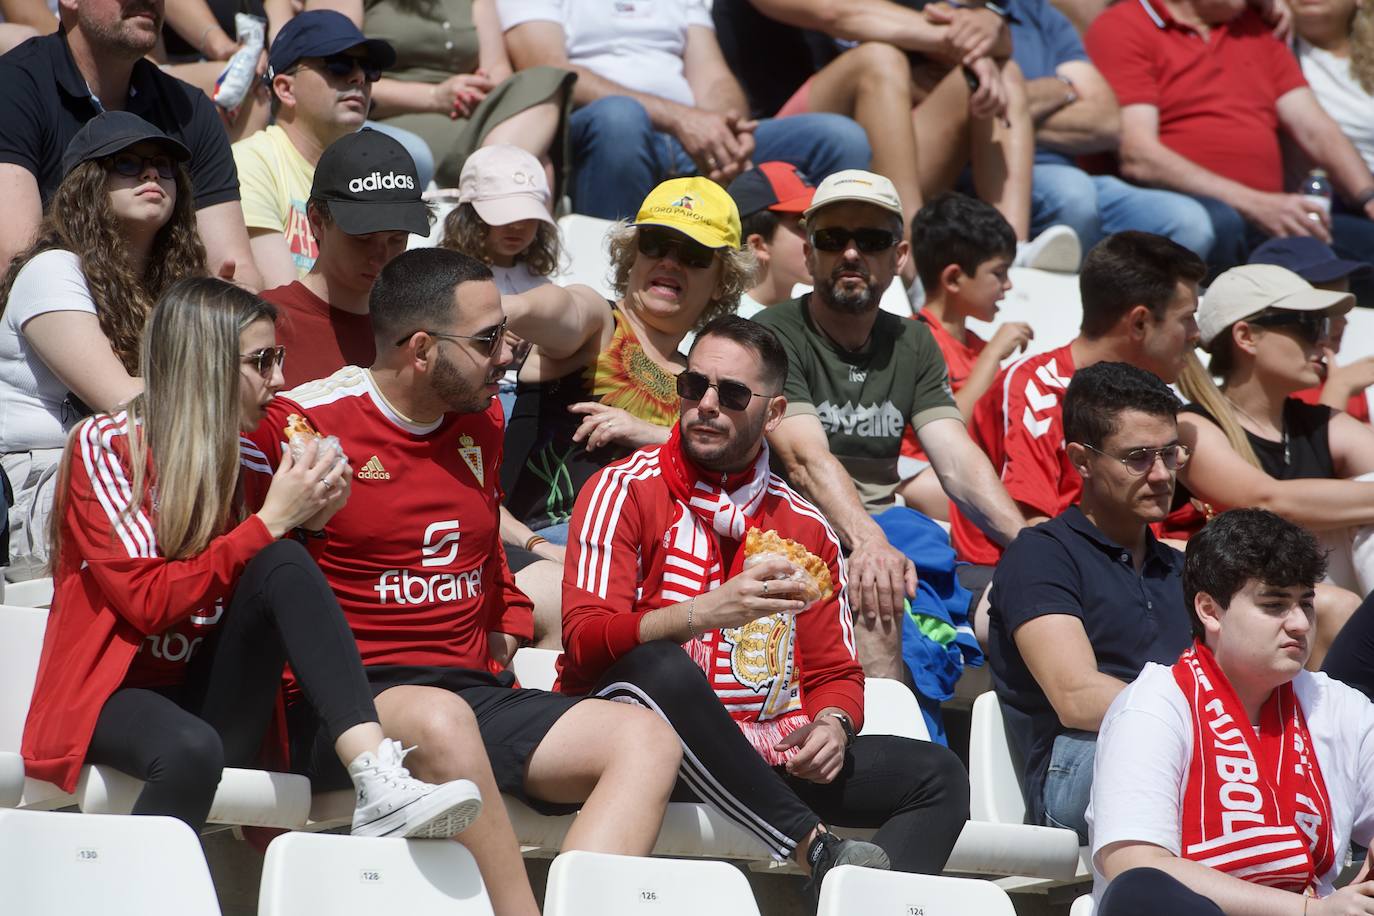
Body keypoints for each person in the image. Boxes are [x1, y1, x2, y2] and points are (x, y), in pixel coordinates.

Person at [240, 247, 682, 916]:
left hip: (471, 694)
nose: (508, 353)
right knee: (443, 721)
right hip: (349, 711)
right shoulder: (304, 424)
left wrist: (505, 615)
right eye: (487, 340)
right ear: (421, 349)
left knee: (645, 739)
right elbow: (244, 564)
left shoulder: (482, 416)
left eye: (506, 331)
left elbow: (481, 538)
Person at [21, 276, 484, 839]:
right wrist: (271, 522)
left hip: (216, 693)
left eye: (279, 357)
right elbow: (147, 603)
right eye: (262, 361)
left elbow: (271, 590)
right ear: (206, 362)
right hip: (114, 694)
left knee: (284, 565)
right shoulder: (109, 444)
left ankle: (377, 777)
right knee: (190, 748)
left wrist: (309, 527)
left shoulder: (255, 456)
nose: (281, 379)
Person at [560, 314, 970, 890]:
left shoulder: (806, 526)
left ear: (774, 414)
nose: (706, 404)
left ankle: (835, 904)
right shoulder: (622, 488)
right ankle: (814, 845)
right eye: (692, 385)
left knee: (939, 776)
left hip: (770, 752)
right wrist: (704, 613)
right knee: (662, 665)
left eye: (730, 394)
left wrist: (832, 725)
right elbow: (584, 642)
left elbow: (835, 670)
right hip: (642, 748)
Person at [752, 169, 1026, 690]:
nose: (851, 254)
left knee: (1038, 596)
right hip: (800, 528)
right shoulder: (775, 332)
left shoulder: (914, 343)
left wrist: (1029, 541)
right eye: (833, 239)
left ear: (899, 258)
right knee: (881, 586)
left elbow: (956, 457)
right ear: (809, 256)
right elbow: (804, 461)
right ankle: (897, 752)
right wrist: (870, 542)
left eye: (872, 240)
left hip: (891, 538)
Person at [1087, 508, 1374, 916]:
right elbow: (1136, 869)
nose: (1299, 624)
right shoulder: (1153, 706)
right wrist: (1309, 912)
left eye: (1305, 604)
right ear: (1210, 610)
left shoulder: (1341, 706)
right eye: (1274, 605)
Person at [989, 361, 1193, 844]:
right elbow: (1076, 698)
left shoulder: (1184, 568)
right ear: (1081, 460)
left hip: (1182, 750)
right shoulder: (1040, 554)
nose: (1162, 474)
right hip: (1078, 763)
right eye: (1139, 457)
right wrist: (1215, 722)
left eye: (1170, 453)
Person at [0, 112, 206, 581]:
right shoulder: (53, 270)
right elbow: (122, 400)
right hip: (45, 484)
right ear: (88, 185)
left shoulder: (172, 286)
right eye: (128, 163)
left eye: (163, 164)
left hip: (141, 472)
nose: (152, 173)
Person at [500, 176, 755, 542]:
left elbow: (737, 470)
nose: (669, 262)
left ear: (721, 280)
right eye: (654, 245)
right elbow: (564, 308)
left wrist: (649, 435)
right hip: (556, 541)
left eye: (693, 254)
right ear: (632, 256)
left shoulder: (703, 381)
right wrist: (510, 308)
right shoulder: (601, 323)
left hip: (662, 550)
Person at [949, 231, 1206, 566]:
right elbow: (1033, 528)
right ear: (1140, 322)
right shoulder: (1036, 387)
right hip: (1020, 584)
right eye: (1187, 317)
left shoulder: (1155, 399)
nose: (1196, 335)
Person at [499, 0, 872, 221]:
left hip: (689, 138)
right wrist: (681, 119)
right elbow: (548, 69)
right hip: (598, 132)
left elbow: (712, 76)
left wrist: (728, 126)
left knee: (838, 138)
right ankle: (608, 289)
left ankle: (828, 286)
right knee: (620, 118)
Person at [1084, 0, 1374, 274]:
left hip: (1271, 216)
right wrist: (1257, 204)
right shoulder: (1125, 24)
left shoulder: (1254, 28)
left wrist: (1368, 196)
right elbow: (1139, 156)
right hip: (1191, 210)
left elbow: (1315, 128)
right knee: (1222, 223)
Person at [0, 0, 262, 289]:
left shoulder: (189, 110)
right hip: (56, 320)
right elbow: (15, 266)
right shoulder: (12, 87)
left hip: (171, 325)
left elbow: (236, 268)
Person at [1168, 266, 1374, 598]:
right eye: (1309, 326)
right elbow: (1266, 501)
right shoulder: (1193, 426)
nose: (1324, 342)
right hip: (1234, 602)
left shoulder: (1320, 423)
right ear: (1246, 337)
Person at [1008, 0, 1216, 259]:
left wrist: (1014, 110)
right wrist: (1064, 88)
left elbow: (1107, 123)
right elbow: (973, 106)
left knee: (1186, 222)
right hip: (994, 174)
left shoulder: (1038, 14)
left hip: (1071, 175)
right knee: (1073, 193)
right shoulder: (956, 16)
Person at [308, 0, 574, 190]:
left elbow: (497, 70)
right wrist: (435, 96)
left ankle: (488, 181)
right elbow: (330, 78)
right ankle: (490, 187)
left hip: (473, 116)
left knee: (547, 79)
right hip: (396, 117)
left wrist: (482, 89)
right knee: (530, 165)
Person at [233, 10, 399, 288]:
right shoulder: (250, 163)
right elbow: (283, 303)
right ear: (286, 89)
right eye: (338, 65)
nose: (359, 77)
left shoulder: (375, 176)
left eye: (369, 69)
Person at [261, 127, 430, 390]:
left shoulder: (420, 331)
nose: (381, 255)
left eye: (397, 238)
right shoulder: (263, 325)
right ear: (317, 220)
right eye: (362, 238)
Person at [897, 192, 1032, 518]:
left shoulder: (980, 347)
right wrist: (994, 354)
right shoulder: (910, 341)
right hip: (929, 484)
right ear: (954, 278)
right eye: (998, 273)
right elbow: (949, 432)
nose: (1008, 285)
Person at [1249, 237, 1374, 418]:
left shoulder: (1343, 380)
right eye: (1320, 312)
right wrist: (1339, 389)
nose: (1343, 322)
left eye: (1343, 309)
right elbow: (1302, 446)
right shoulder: (1272, 385)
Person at [726, 161, 816, 317]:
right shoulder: (726, 326)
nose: (818, 237)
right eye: (802, 226)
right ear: (758, 245)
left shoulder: (815, 307)